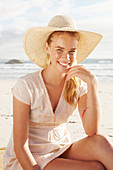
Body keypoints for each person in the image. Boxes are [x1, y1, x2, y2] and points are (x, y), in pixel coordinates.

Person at [3, 15, 113, 170]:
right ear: (47, 48)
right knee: (95, 168)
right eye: (59, 50)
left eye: (72, 51)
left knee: (102, 143)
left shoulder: (78, 84)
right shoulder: (26, 86)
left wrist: (92, 83)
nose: (66, 57)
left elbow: (91, 131)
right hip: (30, 157)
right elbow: (20, 147)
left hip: (60, 150)